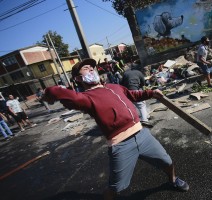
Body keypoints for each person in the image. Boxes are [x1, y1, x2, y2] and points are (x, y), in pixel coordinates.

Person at [42, 58, 189, 200]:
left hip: (143, 135)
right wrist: (49, 93)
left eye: (92, 67)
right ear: (78, 79)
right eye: (86, 69)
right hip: (121, 145)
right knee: (116, 187)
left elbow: (133, 95)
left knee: (167, 162)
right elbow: (64, 95)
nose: (91, 69)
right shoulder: (85, 98)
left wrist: (151, 93)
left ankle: (173, 179)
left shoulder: (114, 87)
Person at [121, 61, 151, 127]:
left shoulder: (125, 73)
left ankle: (145, 115)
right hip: (134, 89)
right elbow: (143, 83)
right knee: (141, 105)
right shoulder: (139, 72)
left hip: (127, 92)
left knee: (133, 105)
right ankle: (144, 120)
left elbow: (121, 84)